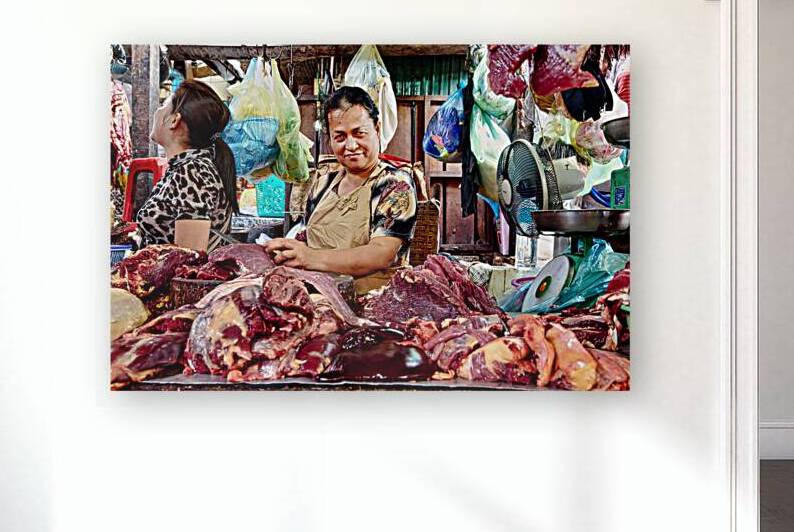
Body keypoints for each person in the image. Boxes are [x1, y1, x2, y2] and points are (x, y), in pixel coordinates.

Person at [265, 86, 417, 293]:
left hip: (373, 301)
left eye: (359, 133)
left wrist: (309, 257)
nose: (351, 145)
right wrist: (286, 250)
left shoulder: (393, 184)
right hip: (319, 297)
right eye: (340, 137)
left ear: (377, 129)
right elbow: (307, 235)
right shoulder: (323, 184)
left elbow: (382, 254)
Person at [133, 80, 238, 251]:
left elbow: (188, 261)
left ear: (174, 120)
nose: (157, 111)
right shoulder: (185, 167)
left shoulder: (193, 172)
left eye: (164, 105)